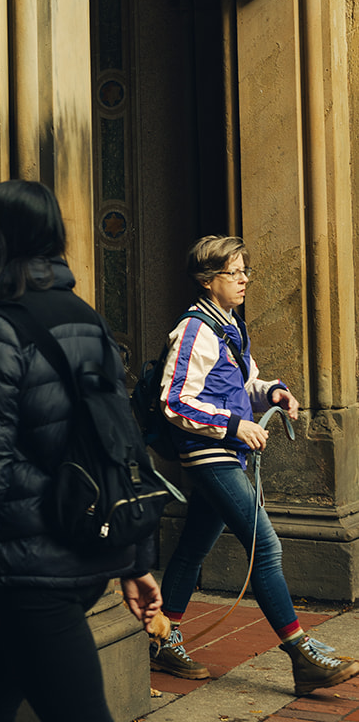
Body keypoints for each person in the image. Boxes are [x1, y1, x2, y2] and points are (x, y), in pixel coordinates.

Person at [0, 180, 163, 722]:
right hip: (79, 550)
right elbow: (125, 446)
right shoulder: (87, 317)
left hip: (36, 569)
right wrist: (137, 559)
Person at [151, 234, 358, 697]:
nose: (244, 279)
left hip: (226, 453)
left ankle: (164, 639)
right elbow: (174, 399)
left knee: (191, 550)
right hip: (210, 456)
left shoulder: (229, 324)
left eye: (246, 270)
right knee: (265, 548)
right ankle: (302, 657)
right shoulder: (194, 330)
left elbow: (242, 385)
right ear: (208, 280)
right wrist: (233, 428)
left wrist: (274, 393)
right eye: (234, 271)